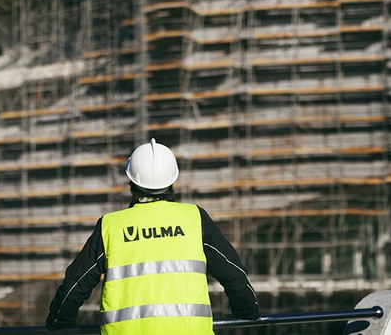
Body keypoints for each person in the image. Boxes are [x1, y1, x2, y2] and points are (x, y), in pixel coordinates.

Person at [45, 139, 259, 334]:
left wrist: (58, 323)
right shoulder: (195, 219)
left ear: (131, 181)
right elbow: (234, 274)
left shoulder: (111, 226)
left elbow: (75, 284)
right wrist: (247, 311)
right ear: (172, 180)